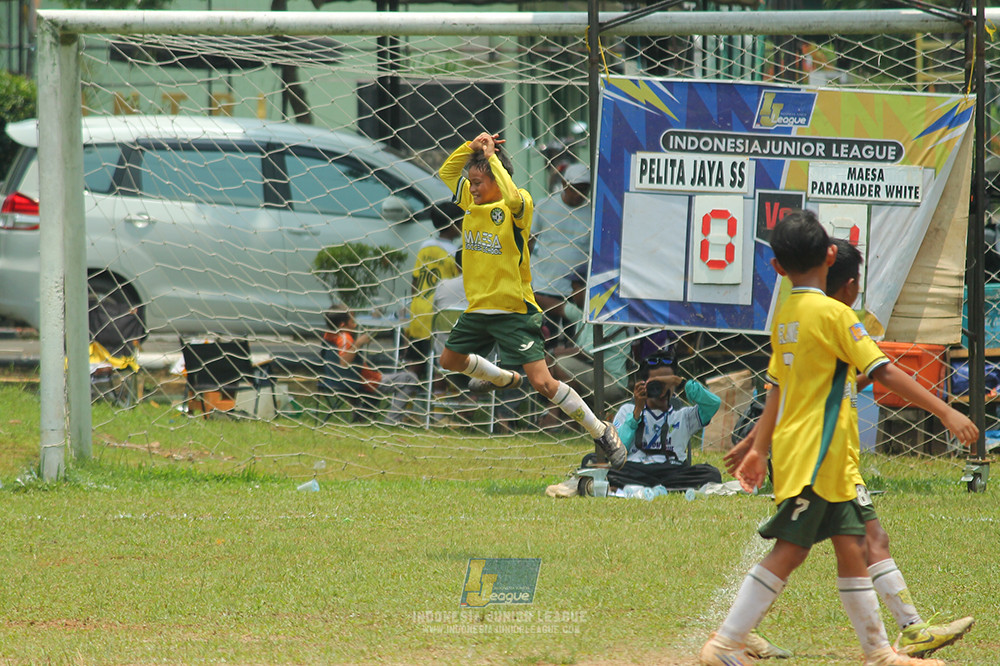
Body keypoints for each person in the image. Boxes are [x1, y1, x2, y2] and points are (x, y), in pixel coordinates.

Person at [699, 211, 978, 666]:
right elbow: (882, 369)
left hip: (811, 455)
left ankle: (879, 654)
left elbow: (777, 387)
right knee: (790, 551)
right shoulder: (834, 313)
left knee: (853, 547)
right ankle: (726, 643)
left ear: (777, 268)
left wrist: (759, 446)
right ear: (831, 255)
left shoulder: (786, 313)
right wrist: (946, 409)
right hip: (819, 455)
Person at [436, 131, 626, 468]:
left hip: (514, 310)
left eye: (479, 182)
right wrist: (472, 147)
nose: (473, 188)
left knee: (542, 382)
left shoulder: (517, 205)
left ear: (498, 178)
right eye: (472, 182)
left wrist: (492, 157)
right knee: (449, 362)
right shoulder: (470, 202)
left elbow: (510, 197)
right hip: (479, 309)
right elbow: (447, 174)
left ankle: (600, 431)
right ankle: (501, 377)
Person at [544, 266, 631, 423]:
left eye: (575, 289)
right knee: (555, 363)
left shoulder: (608, 315)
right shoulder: (585, 313)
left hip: (611, 383)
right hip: (595, 376)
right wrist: (528, 295)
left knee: (560, 363)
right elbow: (559, 307)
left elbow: (585, 353)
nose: (571, 295)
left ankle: (561, 417)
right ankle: (566, 417)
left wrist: (555, 353)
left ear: (589, 289)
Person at [320, 305, 420, 424]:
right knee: (410, 378)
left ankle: (361, 414)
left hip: (333, 380)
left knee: (402, 377)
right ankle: (391, 421)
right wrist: (358, 343)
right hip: (366, 382)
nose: (356, 324)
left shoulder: (328, 335)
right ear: (342, 325)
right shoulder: (345, 337)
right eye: (352, 321)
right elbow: (344, 362)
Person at [531, 162, 593, 347]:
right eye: (575, 189)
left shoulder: (593, 211)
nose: (579, 194)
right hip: (545, 287)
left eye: (584, 189)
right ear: (565, 184)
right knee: (544, 342)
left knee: (573, 343)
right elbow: (529, 240)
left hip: (576, 292)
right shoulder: (545, 205)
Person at [407, 202, 463, 363]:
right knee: (439, 358)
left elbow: (415, 280)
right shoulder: (454, 253)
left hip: (419, 308)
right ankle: (439, 386)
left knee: (417, 357)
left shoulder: (425, 247)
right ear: (454, 224)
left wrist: (413, 303)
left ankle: (412, 383)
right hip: (438, 311)